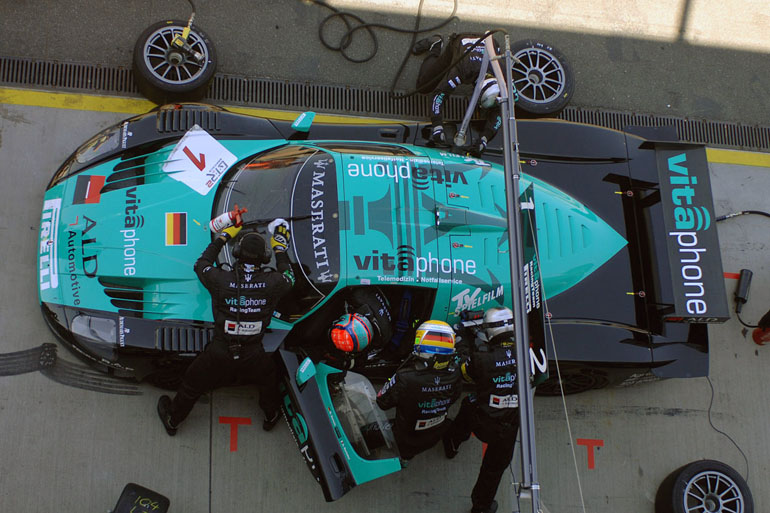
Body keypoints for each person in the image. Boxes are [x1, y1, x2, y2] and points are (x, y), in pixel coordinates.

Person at [157, 218, 295, 435]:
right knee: (268, 382)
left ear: (238, 253)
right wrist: (280, 249)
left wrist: (223, 237)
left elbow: (200, 265)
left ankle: (173, 420)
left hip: (219, 351)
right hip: (254, 353)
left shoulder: (220, 279)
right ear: (265, 257)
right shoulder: (274, 283)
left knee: (192, 384)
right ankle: (271, 416)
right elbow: (289, 277)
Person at [442, 307, 520, 513]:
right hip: (509, 427)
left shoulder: (481, 359)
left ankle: (452, 444)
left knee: (467, 408)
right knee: (493, 470)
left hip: (482, 417)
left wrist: (463, 337)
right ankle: (481, 507)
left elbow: (464, 372)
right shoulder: (528, 355)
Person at [376, 320, 462, 465]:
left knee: (365, 433)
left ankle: (403, 459)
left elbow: (382, 402)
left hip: (405, 437)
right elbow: (455, 396)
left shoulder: (406, 377)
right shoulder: (455, 373)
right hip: (435, 433)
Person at [414, 33, 503, 156]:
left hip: (490, 43)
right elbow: (438, 95)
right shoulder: (463, 70)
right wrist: (437, 126)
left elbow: (502, 111)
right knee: (424, 86)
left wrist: (484, 138)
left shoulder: (503, 78)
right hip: (461, 42)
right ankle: (435, 44)